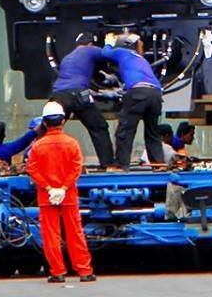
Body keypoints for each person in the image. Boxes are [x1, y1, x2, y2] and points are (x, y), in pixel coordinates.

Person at [25, 101, 96, 284]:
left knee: (51, 236)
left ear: (45, 122)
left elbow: (32, 169)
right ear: (63, 121)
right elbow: (76, 168)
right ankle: (84, 271)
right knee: (75, 233)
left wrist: (49, 188)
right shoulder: (72, 143)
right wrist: (63, 188)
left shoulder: (38, 146)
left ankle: (57, 272)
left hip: (46, 196)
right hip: (69, 195)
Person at [50, 33, 115, 169]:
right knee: (99, 128)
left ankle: (41, 162)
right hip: (79, 93)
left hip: (58, 95)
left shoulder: (68, 57)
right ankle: (108, 164)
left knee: (49, 128)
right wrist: (109, 43)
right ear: (91, 43)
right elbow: (107, 54)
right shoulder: (89, 50)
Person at [102, 34, 165, 169]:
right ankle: (159, 163)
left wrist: (108, 42)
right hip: (156, 94)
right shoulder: (142, 60)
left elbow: (105, 53)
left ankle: (121, 164)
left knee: (125, 130)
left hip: (138, 92)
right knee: (152, 132)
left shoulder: (123, 52)